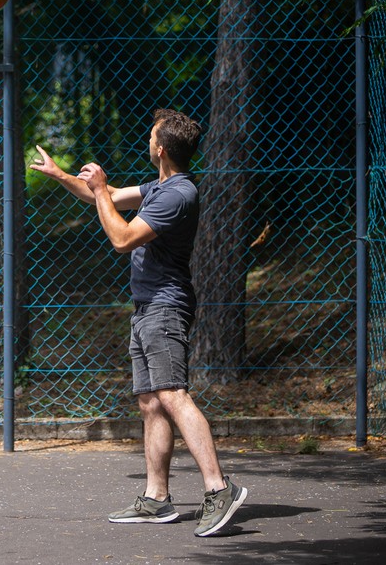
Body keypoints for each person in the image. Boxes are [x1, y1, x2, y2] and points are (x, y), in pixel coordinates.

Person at [28, 108, 247, 537]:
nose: (148, 141)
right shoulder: (158, 187)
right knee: (151, 402)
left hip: (165, 307)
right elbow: (105, 196)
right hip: (147, 307)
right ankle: (156, 499)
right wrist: (61, 175)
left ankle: (219, 488)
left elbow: (122, 238)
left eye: (151, 137)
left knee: (173, 394)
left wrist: (100, 189)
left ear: (161, 148)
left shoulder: (177, 194)